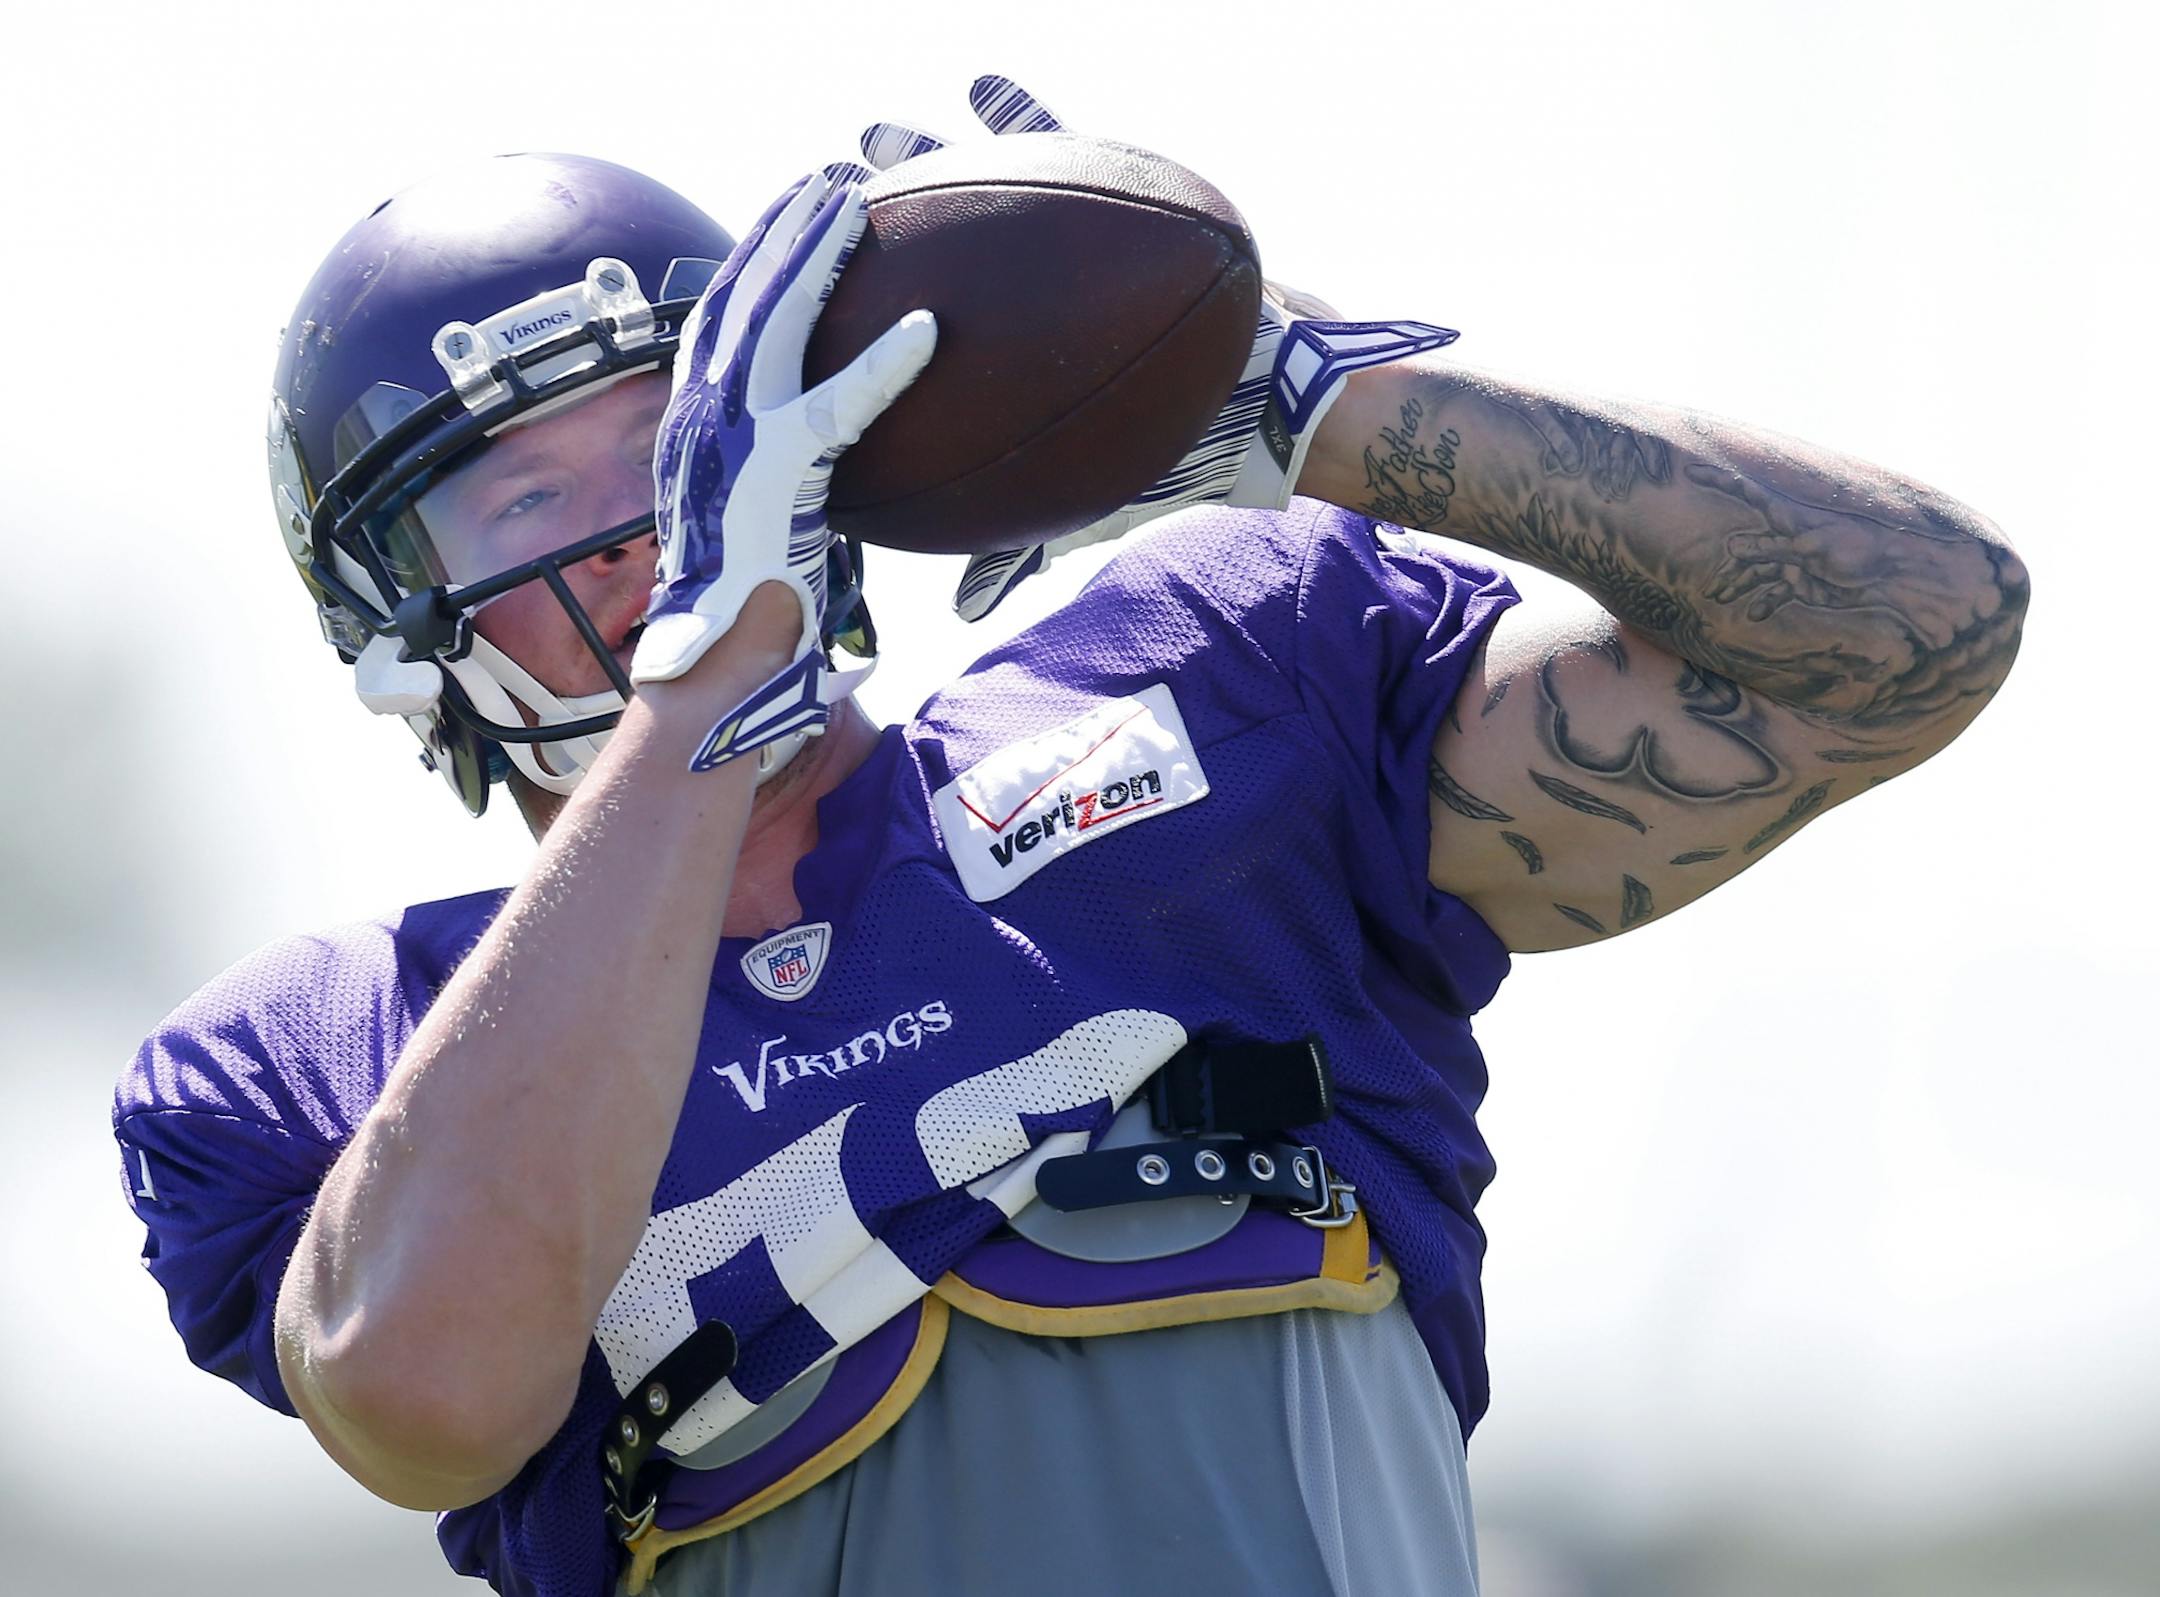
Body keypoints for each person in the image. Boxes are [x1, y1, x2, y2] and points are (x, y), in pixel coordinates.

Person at [114, 79, 2029, 1597]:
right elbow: (431, 1389)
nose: (642, 524)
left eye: (679, 433)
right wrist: (712, 685)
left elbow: (1902, 631)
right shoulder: (344, 1048)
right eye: (529, 492)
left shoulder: (1223, 671)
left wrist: (1312, 398)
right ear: (393, 630)